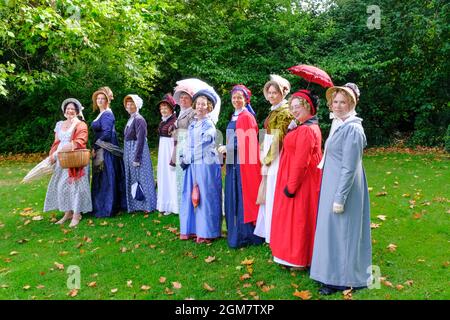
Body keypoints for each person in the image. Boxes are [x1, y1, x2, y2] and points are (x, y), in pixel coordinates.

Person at [310, 83, 372, 295]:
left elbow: (349, 167)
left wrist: (340, 197)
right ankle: (330, 273)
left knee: (343, 231)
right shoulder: (340, 124)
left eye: (343, 102)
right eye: (335, 101)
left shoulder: (353, 129)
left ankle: (343, 279)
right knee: (332, 230)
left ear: (351, 104)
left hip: (343, 187)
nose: (337, 106)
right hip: (332, 182)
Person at [270, 90, 322, 268]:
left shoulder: (307, 130)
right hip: (294, 178)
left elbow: (301, 163)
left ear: (308, 107)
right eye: (292, 107)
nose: (294, 110)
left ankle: (297, 258)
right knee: (292, 219)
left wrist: (291, 187)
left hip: (300, 182)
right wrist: (293, 129)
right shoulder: (303, 127)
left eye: (298, 106)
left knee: (297, 219)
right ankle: (290, 256)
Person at [218, 85, 264, 248]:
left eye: (240, 97)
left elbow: (246, 139)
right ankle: (236, 232)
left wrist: (228, 148)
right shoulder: (235, 115)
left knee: (242, 195)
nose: (236, 100)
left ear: (246, 100)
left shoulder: (246, 116)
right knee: (234, 194)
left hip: (243, 163)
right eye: (234, 97)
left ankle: (245, 235)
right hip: (235, 161)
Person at [254, 75, 294, 243]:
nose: (271, 96)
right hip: (270, 149)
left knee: (272, 190)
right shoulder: (275, 109)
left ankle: (275, 232)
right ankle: (269, 230)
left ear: (282, 93)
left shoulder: (284, 112)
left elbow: (279, 138)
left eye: (274, 92)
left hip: (277, 155)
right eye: (269, 93)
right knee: (268, 191)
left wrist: (268, 159)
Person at [179, 89, 222, 243]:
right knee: (190, 194)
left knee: (205, 196)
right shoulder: (193, 124)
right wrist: (183, 156)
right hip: (192, 165)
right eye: (198, 104)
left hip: (205, 165)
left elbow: (202, 146)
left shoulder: (209, 124)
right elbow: (187, 142)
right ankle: (191, 229)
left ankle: (206, 232)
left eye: (204, 104)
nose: (200, 107)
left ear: (209, 106)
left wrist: (187, 158)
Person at [44, 98, 92, 227]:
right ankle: (68, 212)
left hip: (76, 158)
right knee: (62, 186)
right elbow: (57, 142)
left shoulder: (80, 124)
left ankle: (77, 214)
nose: (70, 111)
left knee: (76, 187)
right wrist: (53, 154)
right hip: (62, 159)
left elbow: (81, 141)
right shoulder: (60, 124)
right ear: (64, 111)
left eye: (72, 109)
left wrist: (63, 149)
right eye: (68, 109)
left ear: (77, 111)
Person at [91, 86, 126, 217]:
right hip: (100, 149)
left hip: (105, 150)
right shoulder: (101, 114)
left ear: (107, 101)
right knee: (100, 176)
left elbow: (106, 133)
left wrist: (95, 147)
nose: (100, 101)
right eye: (98, 99)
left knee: (106, 177)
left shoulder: (107, 114)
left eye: (102, 99)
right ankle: (99, 205)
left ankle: (107, 207)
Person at [122, 94, 157, 213]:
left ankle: (148, 205)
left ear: (137, 105)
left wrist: (137, 158)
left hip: (137, 150)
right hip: (130, 149)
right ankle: (136, 205)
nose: (129, 105)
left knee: (142, 177)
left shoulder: (139, 119)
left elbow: (141, 139)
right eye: (127, 104)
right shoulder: (131, 118)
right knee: (134, 177)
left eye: (132, 103)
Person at [172, 84, 196, 210]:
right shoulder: (181, 113)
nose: (183, 100)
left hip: (187, 145)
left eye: (186, 97)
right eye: (181, 97)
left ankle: (190, 204)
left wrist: (180, 132)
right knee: (180, 175)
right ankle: (183, 205)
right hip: (180, 145)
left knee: (187, 175)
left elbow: (192, 130)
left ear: (191, 100)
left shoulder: (193, 113)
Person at [156, 93, 178, 215]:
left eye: (166, 107)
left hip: (170, 150)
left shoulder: (174, 122)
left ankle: (173, 205)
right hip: (162, 150)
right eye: (162, 108)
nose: (163, 110)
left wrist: (173, 159)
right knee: (163, 176)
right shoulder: (163, 121)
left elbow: (176, 141)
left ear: (171, 109)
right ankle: (164, 203)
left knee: (171, 177)